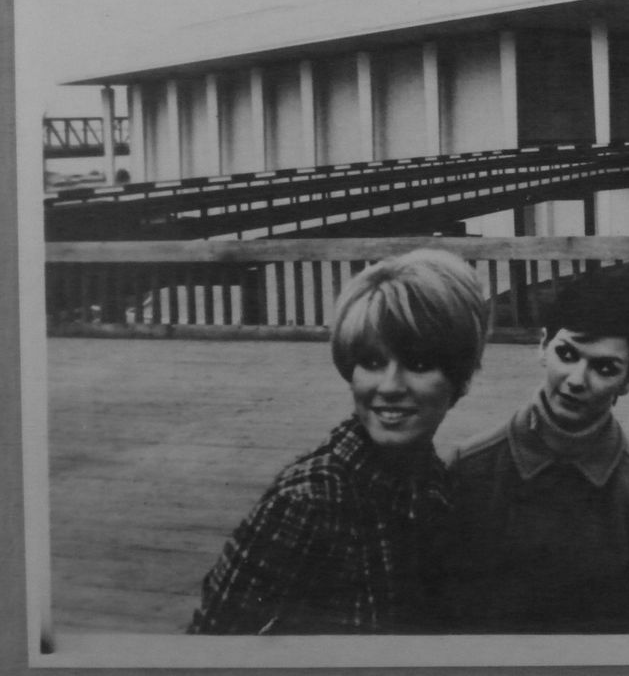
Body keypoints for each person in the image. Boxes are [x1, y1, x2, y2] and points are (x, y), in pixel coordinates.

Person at [188, 248, 489, 634]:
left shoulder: (435, 486)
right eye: (373, 362)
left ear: (459, 380)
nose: (390, 387)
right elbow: (210, 646)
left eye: (417, 365)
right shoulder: (308, 502)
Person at [440, 269, 629, 633]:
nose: (577, 379)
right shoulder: (467, 471)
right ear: (542, 346)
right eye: (567, 353)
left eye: (604, 367)